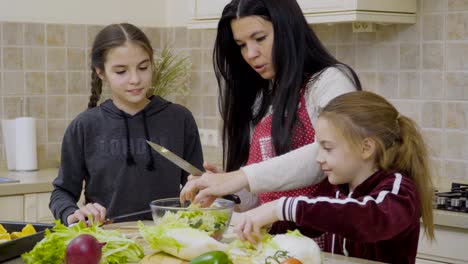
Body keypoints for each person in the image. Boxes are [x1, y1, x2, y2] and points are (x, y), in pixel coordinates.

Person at [181, 0, 361, 245]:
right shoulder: (261, 96)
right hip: (272, 245)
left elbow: (329, 155)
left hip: (326, 247)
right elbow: (262, 193)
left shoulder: (330, 81)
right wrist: (226, 188)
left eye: (259, 38)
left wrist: (241, 177)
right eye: (241, 45)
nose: (250, 54)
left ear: (288, 30)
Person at [231, 91, 434, 264]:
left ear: (366, 148)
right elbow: (310, 221)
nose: (319, 158)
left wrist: (281, 207)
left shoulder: (398, 191)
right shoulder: (338, 189)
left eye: (327, 148)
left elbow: (364, 219)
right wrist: (269, 225)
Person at [49, 23, 203, 226]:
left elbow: (198, 184)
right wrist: (72, 213)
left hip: (168, 239)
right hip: (108, 241)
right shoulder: (84, 126)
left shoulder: (180, 119)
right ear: (101, 72)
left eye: (143, 67)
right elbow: (62, 192)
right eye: (121, 71)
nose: (135, 79)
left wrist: (205, 188)